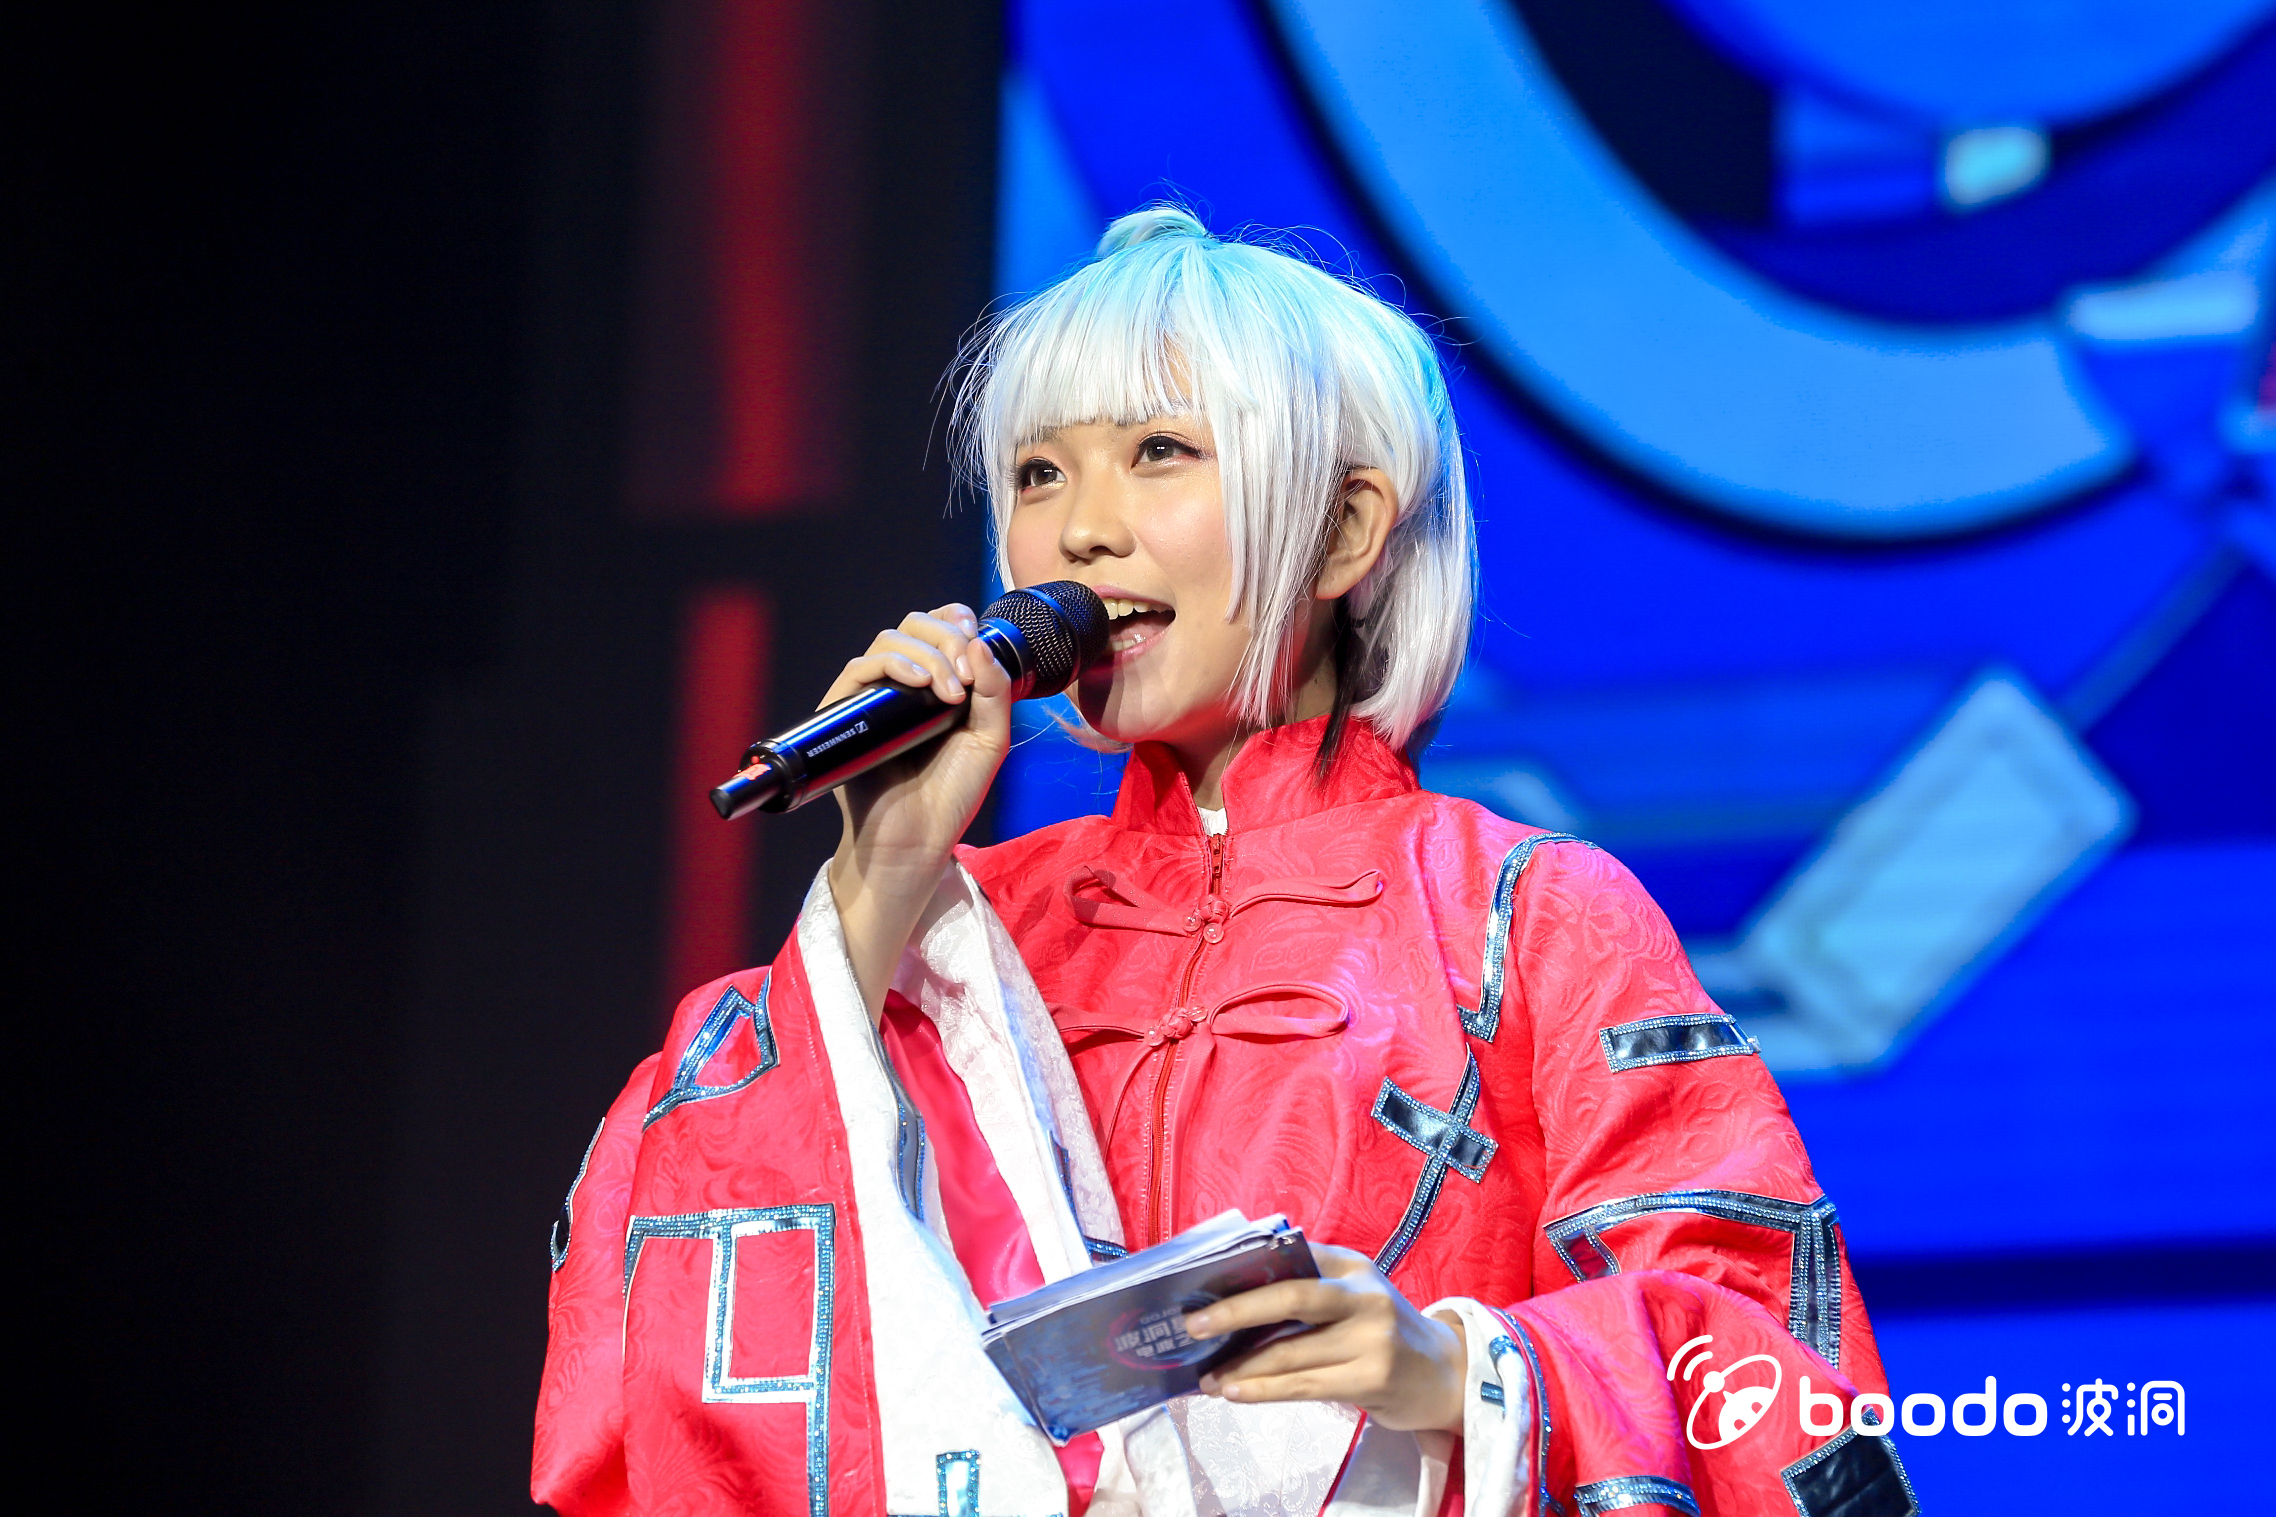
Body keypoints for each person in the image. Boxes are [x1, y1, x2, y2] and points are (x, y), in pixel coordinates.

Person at [534, 207, 1914, 1517]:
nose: (1081, 529)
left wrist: (1462, 1372)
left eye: (1159, 453)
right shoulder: (955, 936)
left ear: (1344, 530)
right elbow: (665, 1297)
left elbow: (1770, 1369)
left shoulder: (1526, 918)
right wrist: (879, 877)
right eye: (1039, 472)